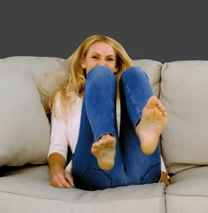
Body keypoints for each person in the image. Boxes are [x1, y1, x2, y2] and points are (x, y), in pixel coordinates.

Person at [40, 35, 169, 191]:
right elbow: (57, 145)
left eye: (109, 59)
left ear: (116, 66)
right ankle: (104, 141)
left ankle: (137, 130)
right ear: (83, 61)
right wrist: (56, 171)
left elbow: (149, 140)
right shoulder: (65, 98)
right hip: (94, 172)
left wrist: (162, 172)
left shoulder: (130, 96)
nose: (102, 63)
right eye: (95, 57)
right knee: (100, 73)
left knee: (134, 74)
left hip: (141, 172)